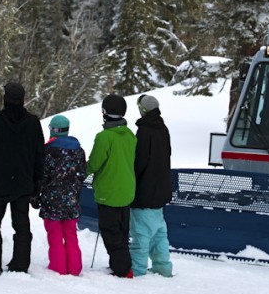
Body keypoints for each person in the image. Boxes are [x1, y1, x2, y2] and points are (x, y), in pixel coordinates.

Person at [0, 82, 45, 275]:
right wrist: (37, 183)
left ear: (5, 98)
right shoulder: (33, 122)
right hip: (23, 183)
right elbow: (39, 155)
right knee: (22, 225)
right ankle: (20, 264)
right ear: (22, 99)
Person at [87, 93, 137, 278]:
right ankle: (118, 265)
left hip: (108, 192)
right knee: (122, 231)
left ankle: (123, 269)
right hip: (127, 191)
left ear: (104, 113)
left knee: (111, 232)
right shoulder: (130, 135)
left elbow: (94, 163)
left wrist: (79, 173)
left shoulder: (104, 137)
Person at [31, 114, 87, 276]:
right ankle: (75, 268)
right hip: (71, 200)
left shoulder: (47, 151)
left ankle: (58, 268)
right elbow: (82, 173)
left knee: (54, 235)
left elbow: (40, 176)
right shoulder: (78, 150)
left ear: (53, 130)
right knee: (71, 235)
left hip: (51, 200)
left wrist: (35, 196)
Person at [129, 94, 173, 277]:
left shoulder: (144, 131)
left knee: (141, 233)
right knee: (159, 233)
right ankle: (163, 267)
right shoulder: (163, 129)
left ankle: (137, 269)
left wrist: (133, 181)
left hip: (145, 191)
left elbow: (139, 162)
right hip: (160, 190)